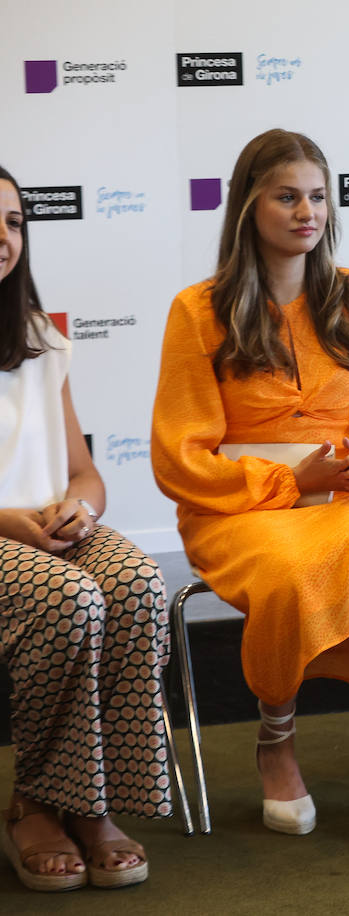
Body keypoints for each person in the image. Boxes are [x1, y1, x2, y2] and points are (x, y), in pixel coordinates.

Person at [151, 130, 349, 845]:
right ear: (249, 206)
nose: (306, 212)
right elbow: (179, 457)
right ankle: (275, 740)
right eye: (287, 196)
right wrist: (290, 478)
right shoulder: (198, 310)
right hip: (240, 509)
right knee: (290, 570)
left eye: (317, 197)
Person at [0, 165, 168, 891]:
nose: (3, 237)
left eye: (12, 222)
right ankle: (37, 802)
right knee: (69, 597)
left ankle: (93, 804)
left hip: (50, 531)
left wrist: (83, 508)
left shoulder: (39, 338)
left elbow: (85, 472)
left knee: (136, 581)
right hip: (11, 540)